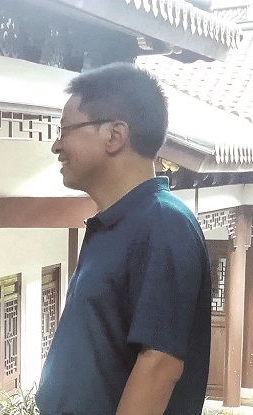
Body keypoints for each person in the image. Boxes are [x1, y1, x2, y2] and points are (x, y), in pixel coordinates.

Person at [36, 63, 211, 415]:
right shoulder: (115, 224)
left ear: (114, 135)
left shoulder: (163, 224)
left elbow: (159, 365)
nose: (56, 145)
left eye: (65, 130)